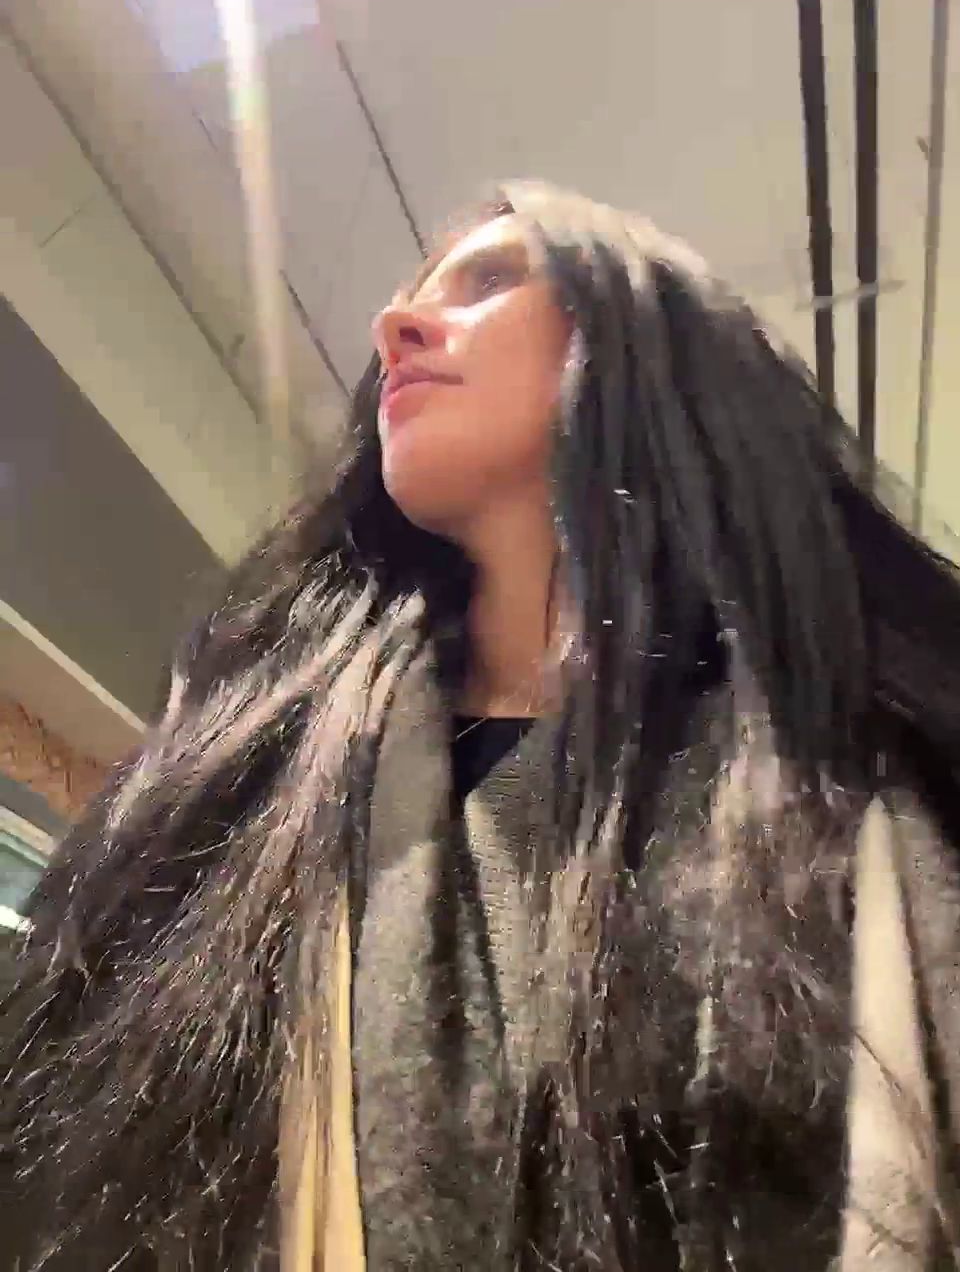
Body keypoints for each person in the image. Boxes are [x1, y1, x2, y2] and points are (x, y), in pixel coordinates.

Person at [2, 182, 960, 1272]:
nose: (395, 325)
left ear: (648, 344)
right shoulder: (230, 795)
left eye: (492, 280)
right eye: (413, 297)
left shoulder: (863, 778)